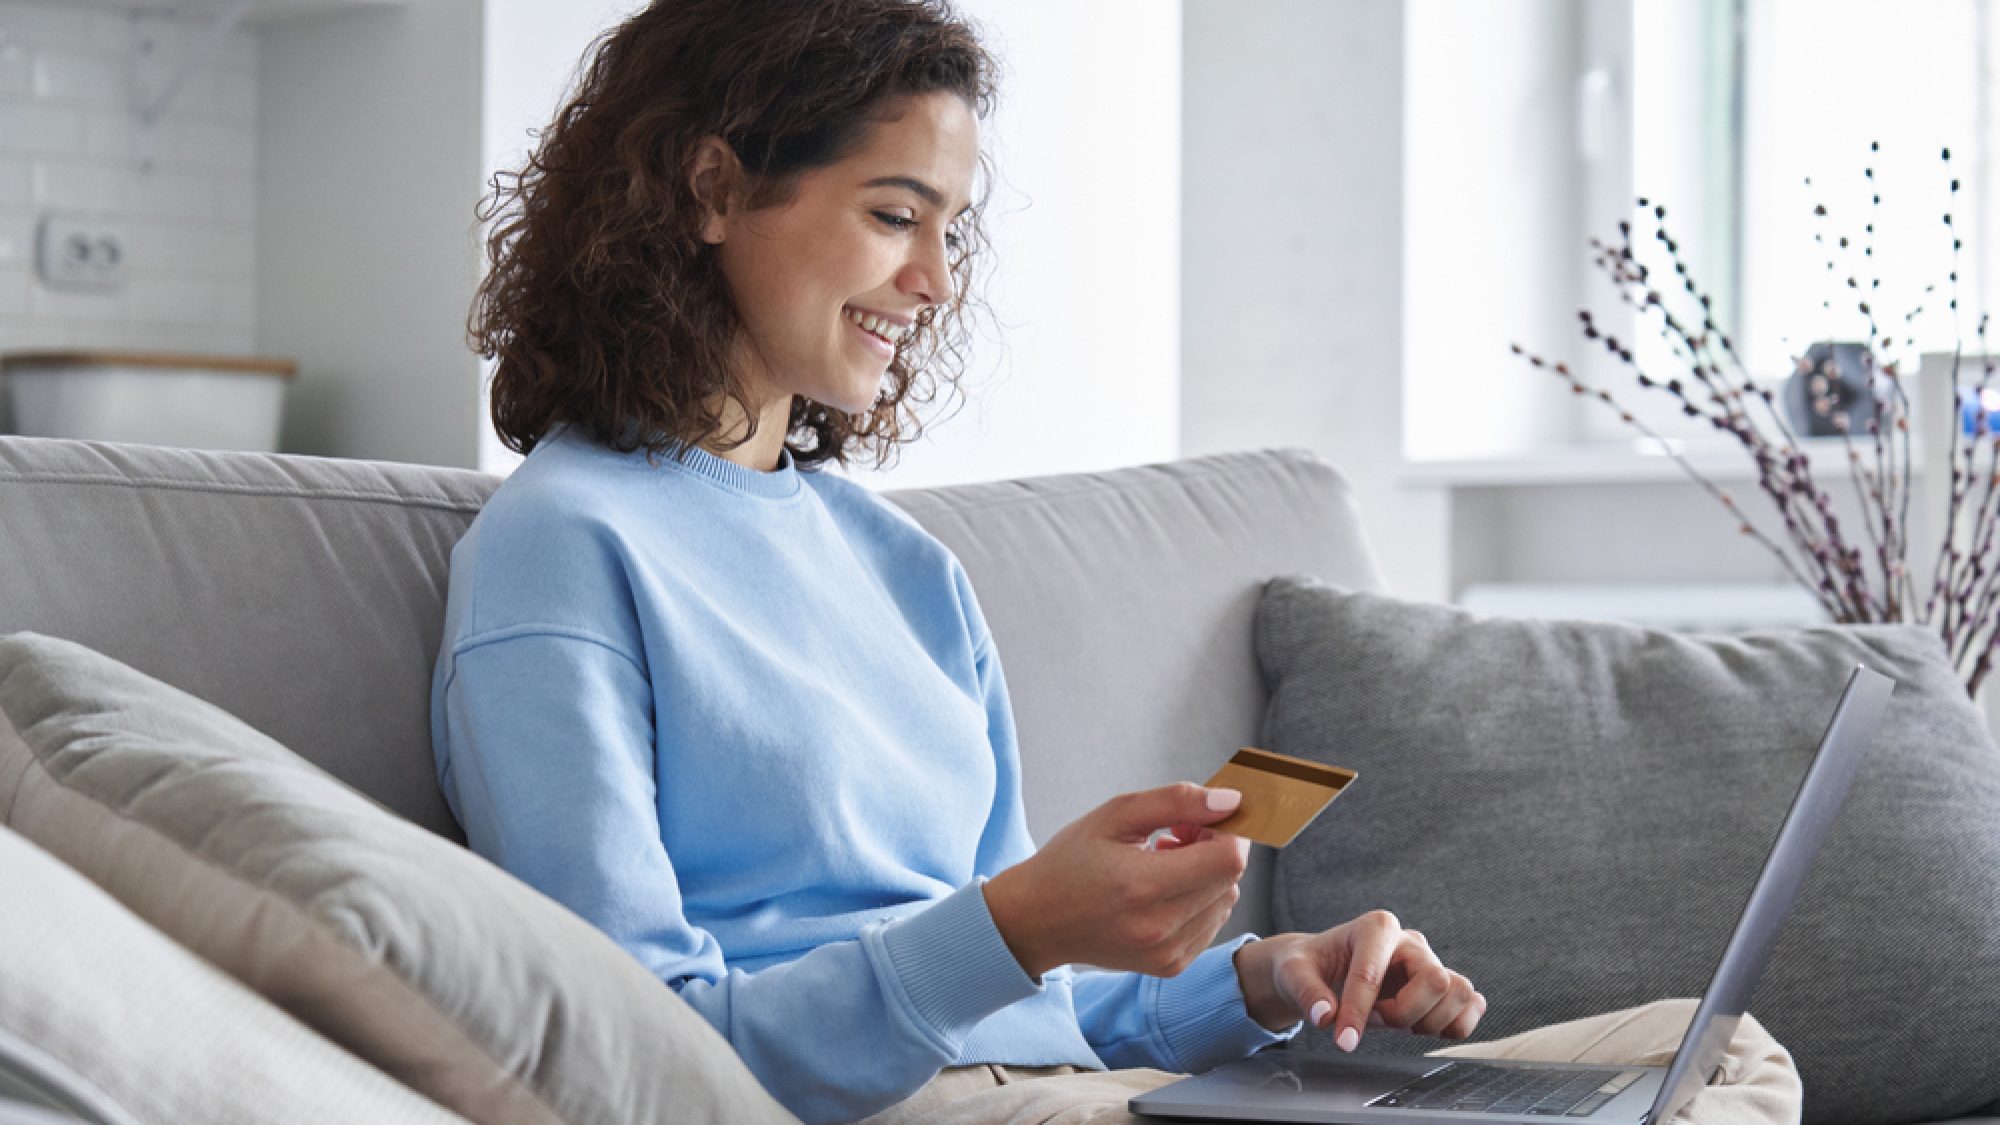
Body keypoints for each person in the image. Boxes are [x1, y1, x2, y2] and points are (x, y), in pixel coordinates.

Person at [436, 2, 1802, 1122]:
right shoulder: (565, 548)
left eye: (951, 230)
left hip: (1067, 1086)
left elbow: (1043, 1005)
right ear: (716, 188)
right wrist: (1019, 921)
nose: (937, 283)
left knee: (1715, 1054)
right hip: (868, 1104)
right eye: (895, 214)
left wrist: (1270, 979)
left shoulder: (904, 568)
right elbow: (634, 1055)